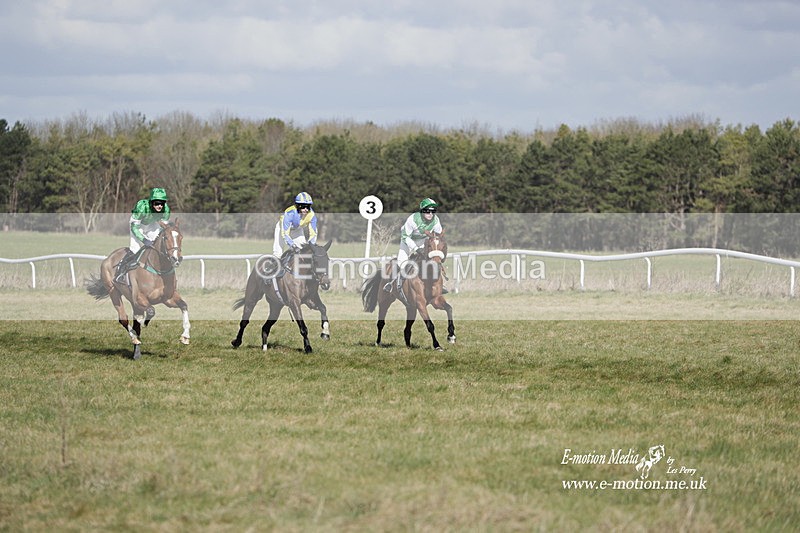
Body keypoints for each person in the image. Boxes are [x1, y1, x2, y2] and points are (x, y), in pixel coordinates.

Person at [384, 197, 443, 292]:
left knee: (431, 261)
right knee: (402, 262)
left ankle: (436, 284)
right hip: (408, 240)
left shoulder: (436, 221)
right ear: (422, 211)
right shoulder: (412, 219)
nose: (430, 214)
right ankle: (391, 283)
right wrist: (416, 248)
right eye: (428, 211)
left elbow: (439, 236)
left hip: (423, 241)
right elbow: (405, 236)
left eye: (433, 211)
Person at [114, 187, 171, 283]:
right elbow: (134, 227)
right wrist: (144, 240)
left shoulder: (166, 210)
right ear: (151, 202)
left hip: (153, 224)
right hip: (137, 225)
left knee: (158, 247)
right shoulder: (142, 206)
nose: (160, 206)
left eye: (162, 203)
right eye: (157, 203)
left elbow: (164, 228)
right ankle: (121, 273)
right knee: (135, 249)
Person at [273, 191, 318, 257]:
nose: (306, 209)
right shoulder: (290, 213)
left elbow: (313, 233)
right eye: (303, 206)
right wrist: (293, 245)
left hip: (297, 229)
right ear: (298, 205)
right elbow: (285, 234)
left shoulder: (312, 215)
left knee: (302, 250)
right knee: (278, 253)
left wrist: (311, 245)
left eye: (308, 206)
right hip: (282, 229)